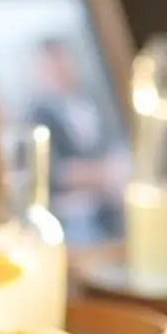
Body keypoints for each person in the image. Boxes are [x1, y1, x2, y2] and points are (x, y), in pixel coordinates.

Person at [24, 36, 130, 243]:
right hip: (70, 219)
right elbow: (47, 172)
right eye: (53, 66)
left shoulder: (96, 105)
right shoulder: (37, 115)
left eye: (63, 62)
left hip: (110, 208)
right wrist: (103, 173)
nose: (60, 70)